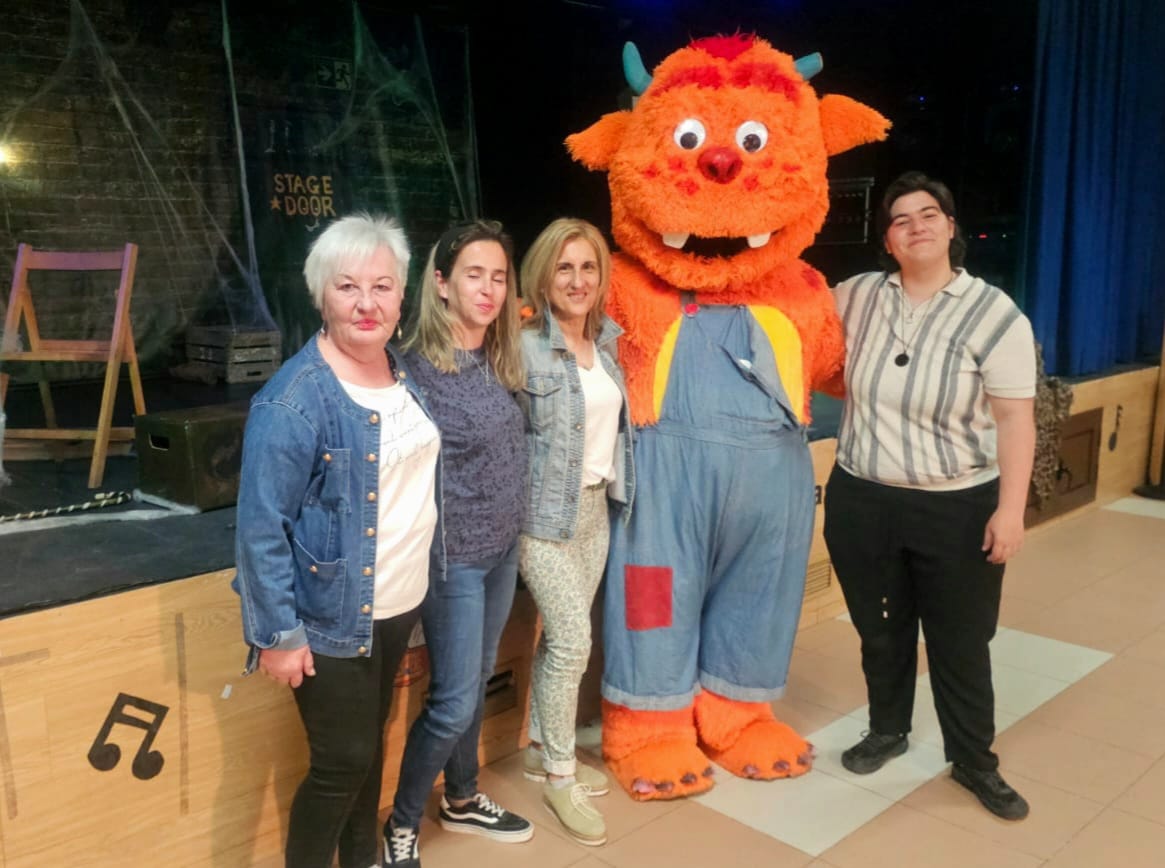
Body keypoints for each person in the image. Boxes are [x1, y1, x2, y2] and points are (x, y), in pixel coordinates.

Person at [826, 171, 1037, 821]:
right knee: (881, 632)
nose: (915, 225)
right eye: (899, 219)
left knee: (960, 640)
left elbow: (1014, 420)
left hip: (956, 504)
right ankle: (887, 728)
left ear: (950, 227)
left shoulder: (994, 313)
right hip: (862, 497)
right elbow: (794, 328)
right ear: (886, 240)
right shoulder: (855, 296)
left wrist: (1009, 509)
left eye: (928, 214)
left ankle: (974, 761)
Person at [233, 213, 442, 868]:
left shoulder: (404, 374)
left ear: (401, 297)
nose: (366, 303)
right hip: (328, 618)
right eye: (347, 287)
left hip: (397, 603)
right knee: (341, 765)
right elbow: (261, 529)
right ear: (321, 295)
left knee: (370, 751)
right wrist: (278, 635)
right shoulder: (293, 401)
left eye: (382, 286)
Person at [385, 220, 531, 867]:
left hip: (502, 549)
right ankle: (399, 826)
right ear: (440, 283)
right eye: (474, 274)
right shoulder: (413, 368)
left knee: (471, 681)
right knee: (451, 703)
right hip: (453, 560)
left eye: (499, 276)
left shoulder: (501, 356)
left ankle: (464, 798)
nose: (489, 288)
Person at [515, 218, 635, 845]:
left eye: (588, 267)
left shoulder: (607, 342)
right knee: (571, 641)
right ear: (543, 274)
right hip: (541, 519)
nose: (577, 280)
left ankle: (538, 745)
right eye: (564, 267)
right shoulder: (522, 346)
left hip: (595, 511)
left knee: (558, 640)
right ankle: (560, 776)